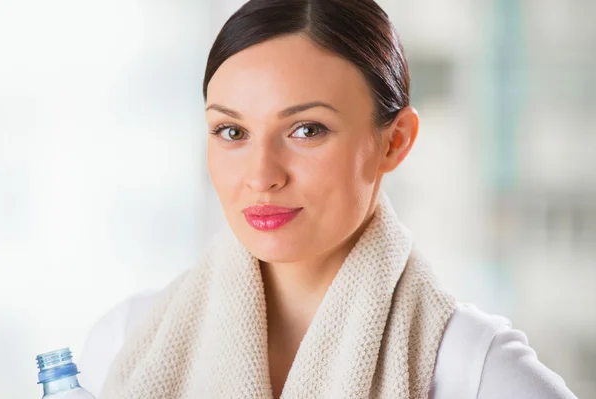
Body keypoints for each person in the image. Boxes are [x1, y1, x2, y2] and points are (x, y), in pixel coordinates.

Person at [79, 1, 579, 398]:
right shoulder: (126, 345)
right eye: (232, 131)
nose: (261, 176)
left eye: (306, 129)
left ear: (394, 141)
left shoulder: (475, 372)